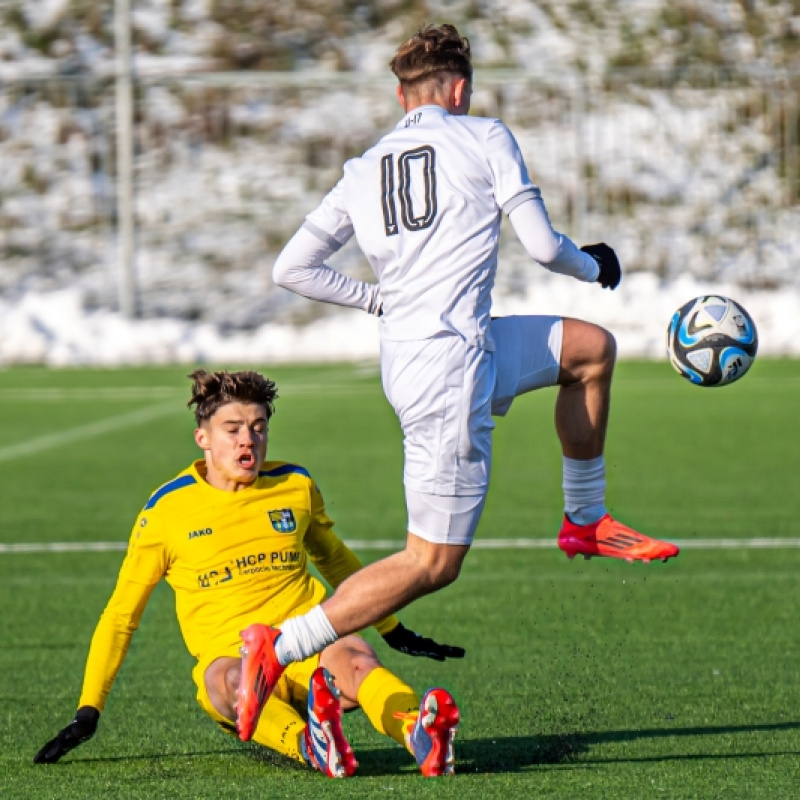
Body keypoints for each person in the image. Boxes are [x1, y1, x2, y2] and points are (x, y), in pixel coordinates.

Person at [238, 22, 680, 740]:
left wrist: (377, 299)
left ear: (400, 93)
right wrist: (594, 264)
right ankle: (279, 646)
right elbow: (541, 246)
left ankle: (585, 519)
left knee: (590, 351)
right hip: (449, 371)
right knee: (432, 563)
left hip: (438, 350)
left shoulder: (364, 167)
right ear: (462, 89)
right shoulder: (484, 137)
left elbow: (291, 268)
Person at [34, 369, 462, 779]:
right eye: (233, 428)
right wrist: (89, 709)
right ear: (202, 437)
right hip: (231, 653)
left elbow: (334, 559)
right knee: (229, 681)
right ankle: (309, 743)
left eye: (258, 427)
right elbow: (120, 616)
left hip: (304, 634)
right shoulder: (165, 511)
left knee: (355, 658)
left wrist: (389, 626)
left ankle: (417, 733)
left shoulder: (294, 484)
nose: (248, 440)